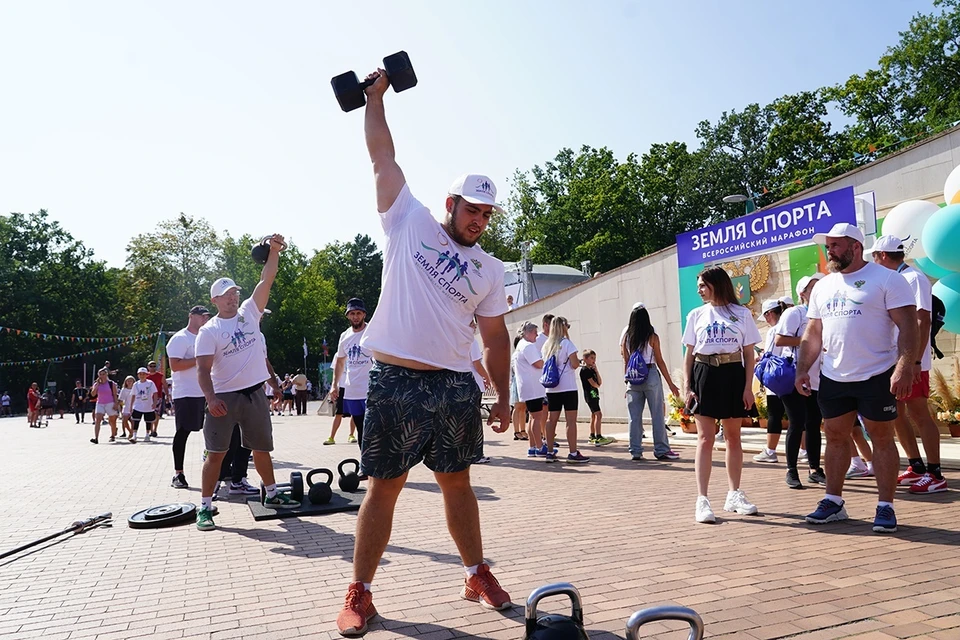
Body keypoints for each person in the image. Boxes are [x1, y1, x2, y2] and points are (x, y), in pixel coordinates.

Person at [335, 69, 512, 637]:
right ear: (451, 203)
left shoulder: (491, 269)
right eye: (471, 211)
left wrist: (504, 395)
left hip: (454, 386)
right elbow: (382, 157)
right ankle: (360, 592)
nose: (479, 222)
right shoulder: (407, 220)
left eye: (486, 215)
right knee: (383, 488)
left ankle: (475, 572)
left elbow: (496, 337)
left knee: (456, 482)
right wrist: (375, 99)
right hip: (394, 380)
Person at [797, 223, 917, 534]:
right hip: (834, 375)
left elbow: (908, 327)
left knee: (881, 438)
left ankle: (885, 507)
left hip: (877, 373)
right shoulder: (822, 286)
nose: (830, 251)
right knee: (835, 437)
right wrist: (802, 369)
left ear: (856, 246)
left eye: (836, 245)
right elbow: (813, 332)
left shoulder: (888, 279)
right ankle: (833, 502)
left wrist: (905, 366)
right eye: (828, 245)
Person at [195, 239, 299, 531]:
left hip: (254, 395)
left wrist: (274, 252)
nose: (232, 298)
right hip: (224, 399)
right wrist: (211, 399)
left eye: (235, 293)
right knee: (216, 454)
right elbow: (202, 371)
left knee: (262, 449)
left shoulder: (249, 312)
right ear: (215, 299)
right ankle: (204, 508)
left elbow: (267, 278)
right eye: (226, 295)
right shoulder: (209, 331)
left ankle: (273, 495)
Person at [868, 235, 947, 494]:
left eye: (874, 256)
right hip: (896, 358)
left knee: (919, 414)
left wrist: (915, 360)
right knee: (897, 413)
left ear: (882, 255)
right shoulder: (894, 278)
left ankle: (935, 473)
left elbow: (923, 320)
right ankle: (916, 466)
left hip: (913, 360)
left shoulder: (913, 278)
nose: (872, 261)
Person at [682, 266, 762, 524]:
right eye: (698, 287)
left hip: (733, 374)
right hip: (704, 372)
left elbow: (749, 354)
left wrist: (748, 387)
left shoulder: (741, 314)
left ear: (717, 284)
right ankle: (702, 499)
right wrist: (688, 385)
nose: (700, 291)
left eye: (703, 285)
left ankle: (734, 494)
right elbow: (689, 354)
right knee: (705, 438)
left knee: (733, 436)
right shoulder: (696, 315)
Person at [774, 273, 826, 489]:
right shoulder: (794, 313)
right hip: (794, 374)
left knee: (814, 422)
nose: (818, 290)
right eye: (813, 287)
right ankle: (791, 470)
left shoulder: (825, 313)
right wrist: (809, 341)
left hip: (818, 378)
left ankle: (815, 468)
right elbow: (780, 339)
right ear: (802, 293)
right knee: (796, 422)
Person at [621, 302, 681, 461]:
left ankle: (635, 450)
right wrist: (671, 384)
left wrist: (626, 382)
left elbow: (626, 361)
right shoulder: (652, 337)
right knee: (657, 415)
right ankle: (661, 449)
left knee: (634, 417)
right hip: (650, 374)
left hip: (633, 379)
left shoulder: (627, 338)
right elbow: (660, 361)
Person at [166, 305, 213, 488]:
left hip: (207, 391)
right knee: (183, 432)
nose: (205, 319)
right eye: (202, 316)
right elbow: (175, 365)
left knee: (213, 429)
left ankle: (216, 465)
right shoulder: (180, 338)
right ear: (191, 316)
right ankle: (178, 474)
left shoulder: (206, 337)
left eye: (207, 317)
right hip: (186, 393)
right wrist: (200, 359)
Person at [541, 316, 589, 463]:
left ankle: (549, 451)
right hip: (567, 386)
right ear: (563, 327)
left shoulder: (546, 345)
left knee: (551, 419)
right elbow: (574, 364)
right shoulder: (567, 343)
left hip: (552, 387)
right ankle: (573, 453)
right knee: (570, 421)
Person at [330, 298, 373, 448]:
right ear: (348, 316)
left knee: (372, 429)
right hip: (352, 390)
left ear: (364, 315)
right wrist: (334, 385)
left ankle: (376, 465)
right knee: (360, 428)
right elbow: (340, 362)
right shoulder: (344, 336)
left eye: (359, 313)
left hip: (371, 389)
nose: (356, 316)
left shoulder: (372, 331)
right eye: (352, 313)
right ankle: (365, 466)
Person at [752, 299, 788, 464]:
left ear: (770, 313)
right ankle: (803, 449)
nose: (765, 319)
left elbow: (769, 355)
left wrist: (757, 361)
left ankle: (770, 450)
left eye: (766, 315)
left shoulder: (774, 330)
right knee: (795, 415)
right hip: (790, 374)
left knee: (774, 414)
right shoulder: (788, 326)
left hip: (776, 377)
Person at [514, 321, 546, 457]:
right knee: (537, 417)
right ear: (527, 333)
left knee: (533, 417)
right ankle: (539, 447)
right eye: (534, 333)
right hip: (533, 387)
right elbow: (538, 364)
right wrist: (547, 360)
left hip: (527, 386)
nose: (536, 336)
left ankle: (532, 446)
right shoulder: (528, 346)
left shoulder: (520, 346)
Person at [580, 350, 612, 446]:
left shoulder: (592, 370)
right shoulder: (584, 370)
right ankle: (598, 436)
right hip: (590, 395)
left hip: (594, 394)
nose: (594, 360)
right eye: (591, 358)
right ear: (585, 359)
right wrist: (597, 385)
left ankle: (592, 435)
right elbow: (593, 383)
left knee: (594, 415)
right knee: (599, 414)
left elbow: (599, 381)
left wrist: (596, 370)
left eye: (595, 358)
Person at [324, 356, 356, 444]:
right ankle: (331, 437)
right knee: (339, 413)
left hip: (353, 386)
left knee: (354, 412)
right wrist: (334, 387)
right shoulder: (338, 354)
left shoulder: (356, 351)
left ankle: (351, 435)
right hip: (342, 387)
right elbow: (335, 371)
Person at [88, 369, 120, 443]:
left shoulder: (111, 384)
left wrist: (116, 403)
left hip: (110, 403)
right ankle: (96, 438)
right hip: (100, 403)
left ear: (106, 375)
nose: (102, 376)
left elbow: (115, 395)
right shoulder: (96, 384)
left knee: (112, 421)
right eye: (100, 374)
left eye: (103, 374)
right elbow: (93, 394)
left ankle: (113, 435)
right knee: (98, 419)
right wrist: (97, 385)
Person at [129, 367, 158, 442]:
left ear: (146, 374)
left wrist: (155, 403)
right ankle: (134, 435)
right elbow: (133, 395)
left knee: (148, 421)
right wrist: (131, 406)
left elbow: (155, 393)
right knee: (136, 420)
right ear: (138, 375)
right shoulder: (136, 384)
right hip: (138, 405)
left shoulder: (150, 383)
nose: (142, 375)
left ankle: (147, 435)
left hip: (148, 405)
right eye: (140, 374)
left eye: (143, 374)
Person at [145, 361, 167, 437]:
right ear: (148, 367)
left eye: (154, 366)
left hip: (158, 397)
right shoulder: (145, 376)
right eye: (151, 366)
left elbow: (165, 385)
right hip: (147, 398)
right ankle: (150, 430)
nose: (153, 367)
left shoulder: (160, 376)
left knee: (156, 414)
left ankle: (155, 430)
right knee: (149, 414)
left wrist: (167, 395)